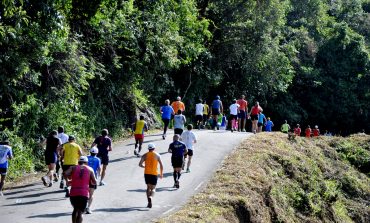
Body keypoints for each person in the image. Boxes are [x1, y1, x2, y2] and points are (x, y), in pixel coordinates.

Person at [65, 156, 96, 223]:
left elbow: (65, 173)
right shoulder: (90, 169)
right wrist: (89, 181)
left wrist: (67, 181)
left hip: (73, 192)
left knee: (75, 209)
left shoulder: (73, 167)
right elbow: (94, 181)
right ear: (86, 162)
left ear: (78, 162)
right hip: (84, 193)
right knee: (80, 212)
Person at [138, 143, 164, 208]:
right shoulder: (157, 155)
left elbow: (140, 164)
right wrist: (161, 173)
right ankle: (151, 197)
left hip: (147, 173)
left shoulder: (145, 155)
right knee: (153, 188)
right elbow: (161, 165)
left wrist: (145, 166)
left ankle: (148, 202)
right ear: (154, 148)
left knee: (148, 188)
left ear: (148, 149)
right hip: (154, 173)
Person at [86, 147, 101, 214]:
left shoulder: (86, 158)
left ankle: (84, 206)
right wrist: (98, 175)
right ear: (96, 153)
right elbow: (99, 168)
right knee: (91, 194)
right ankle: (88, 208)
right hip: (93, 177)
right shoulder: (97, 159)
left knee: (85, 192)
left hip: (85, 177)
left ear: (90, 152)